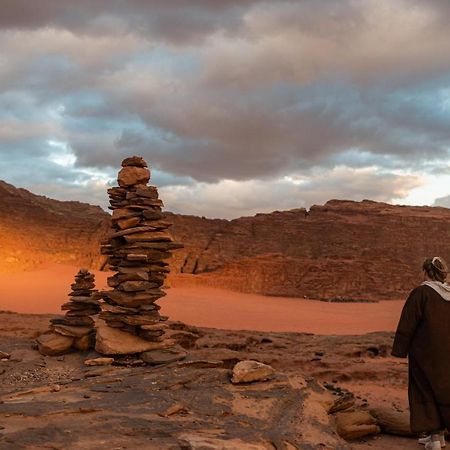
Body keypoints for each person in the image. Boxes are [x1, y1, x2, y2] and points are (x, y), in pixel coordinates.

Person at [392, 257, 450, 449]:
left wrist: (399, 349)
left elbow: (408, 323)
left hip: (425, 353)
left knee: (425, 389)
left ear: (426, 272)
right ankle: (440, 436)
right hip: (447, 354)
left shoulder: (421, 293)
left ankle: (434, 439)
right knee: (444, 390)